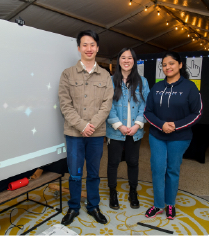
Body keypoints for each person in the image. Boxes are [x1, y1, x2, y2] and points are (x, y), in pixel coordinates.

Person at [58, 30, 114, 225]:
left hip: (96, 134)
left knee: (94, 173)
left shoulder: (106, 75)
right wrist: (82, 126)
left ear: (97, 48)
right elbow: (65, 104)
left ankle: (93, 206)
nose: (89, 48)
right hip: (74, 133)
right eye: (85, 45)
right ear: (79, 48)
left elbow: (107, 104)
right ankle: (73, 207)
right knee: (74, 173)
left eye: (92, 45)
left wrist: (92, 126)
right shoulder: (67, 74)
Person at [144, 51, 202, 219]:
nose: (167, 67)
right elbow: (148, 112)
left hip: (180, 137)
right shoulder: (157, 87)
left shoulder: (190, 87)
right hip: (157, 135)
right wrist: (161, 125)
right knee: (157, 168)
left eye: (171, 63)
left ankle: (170, 204)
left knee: (172, 170)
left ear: (180, 65)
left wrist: (175, 126)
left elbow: (197, 113)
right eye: (164, 65)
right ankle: (158, 205)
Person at [106, 48, 150, 210]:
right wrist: (120, 126)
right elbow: (107, 106)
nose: (126, 60)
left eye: (129, 58)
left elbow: (145, 106)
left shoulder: (142, 82)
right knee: (113, 163)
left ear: (134, 60)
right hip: (115, 130)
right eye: (123, 57)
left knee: (133, 162)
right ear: (118, 61)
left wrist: (137, 124)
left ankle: (133, 191)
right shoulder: (110, 81)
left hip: (135, 131)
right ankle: (112, 192)